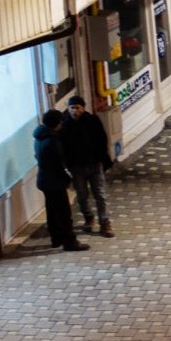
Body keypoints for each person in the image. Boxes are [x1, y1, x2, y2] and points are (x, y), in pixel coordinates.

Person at [33, 109, 85, 252]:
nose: (62, 124)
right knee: (64, 213)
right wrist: (69, 179)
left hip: (44, 180)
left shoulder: (39, 137)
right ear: (57, 123)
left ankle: (56, 239)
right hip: (55, 182)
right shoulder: (52, 141)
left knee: (52, 212)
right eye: (60, 121)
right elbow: (59, 165)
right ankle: (70, 242)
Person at [64, 95, 114, 237]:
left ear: (83, 108)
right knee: (82, 195)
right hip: (76, 167)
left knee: (100, 194)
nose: (74, 111)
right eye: (72, 108)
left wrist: (101, 158)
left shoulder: (92, 121)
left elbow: (102, 139)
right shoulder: (65, 125)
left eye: (77, 108)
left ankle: (104, 222)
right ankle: (88, 216)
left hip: (94, 164)